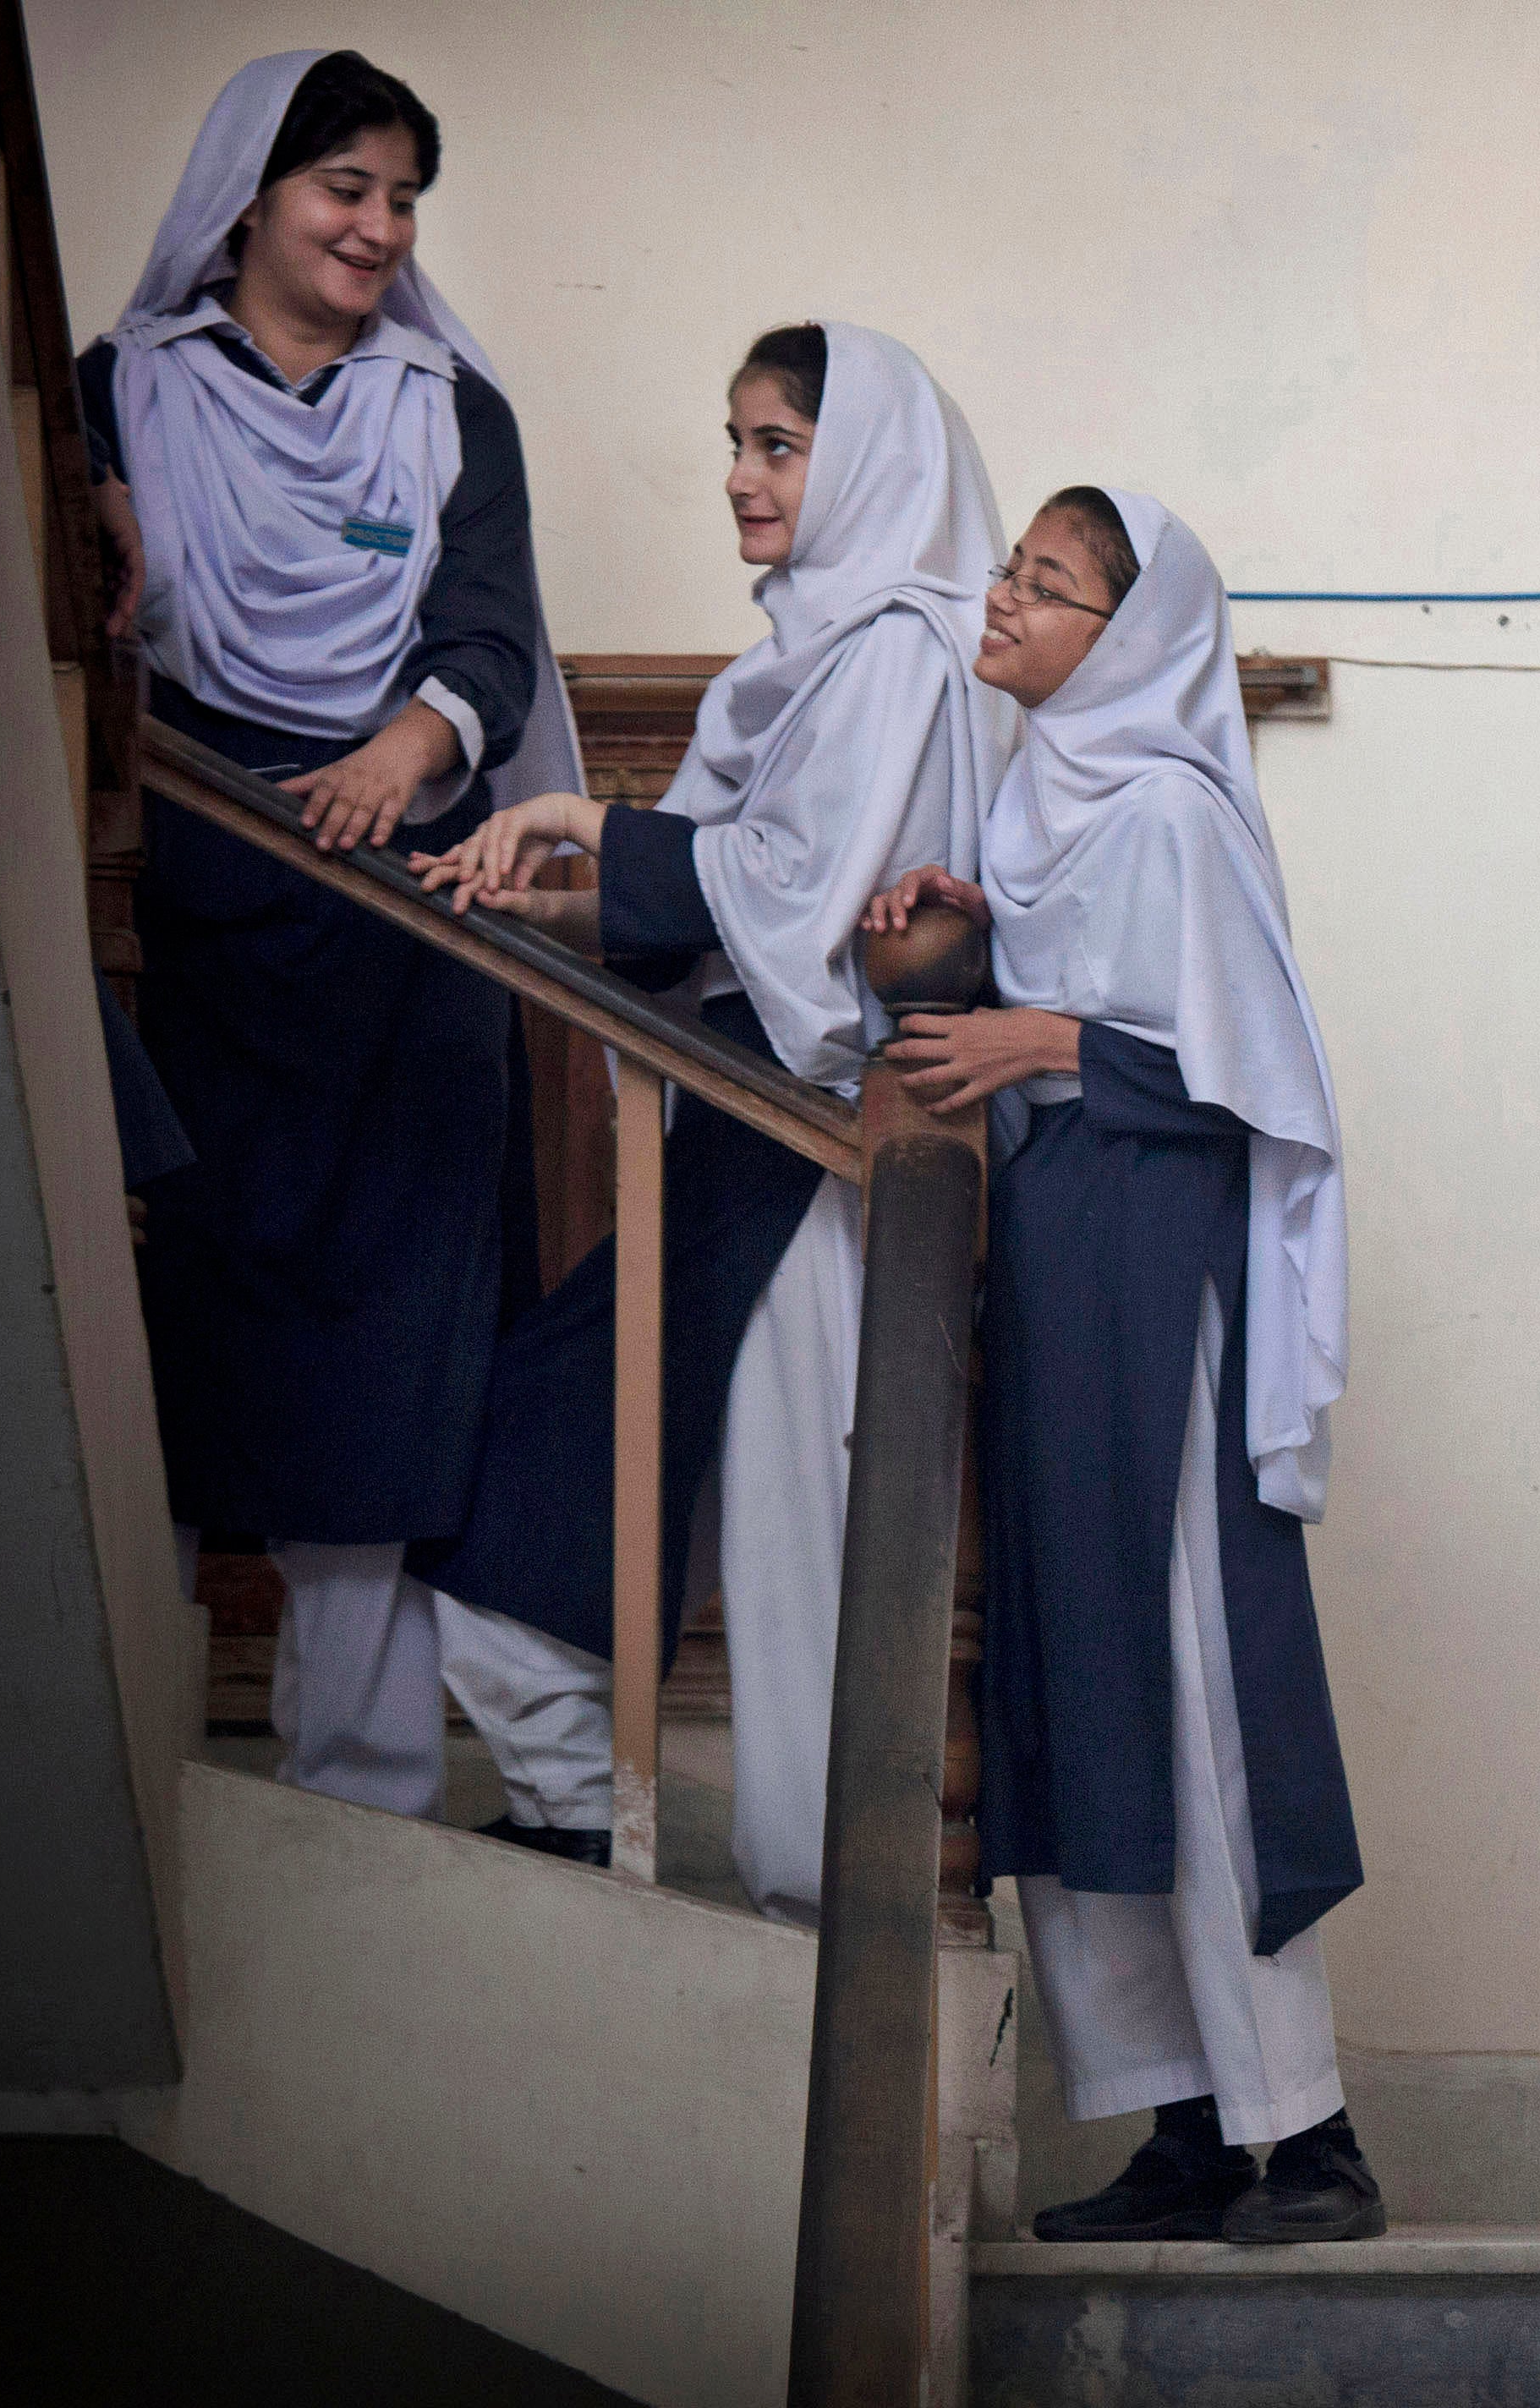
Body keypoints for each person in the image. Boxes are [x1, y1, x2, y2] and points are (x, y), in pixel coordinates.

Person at [411, 325, 1015, 1921]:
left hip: (825, 1150)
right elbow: (723, 879)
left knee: (806, 1529)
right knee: (604, 1454)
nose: (741, 479)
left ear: (864, 463)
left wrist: (584, 823)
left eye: (779, 446)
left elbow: (808, 904)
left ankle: (833, 1907)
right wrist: (557, 874)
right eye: (736, 442)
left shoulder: (899, 647)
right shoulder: (810, 652)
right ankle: (590, 1815)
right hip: (756, 1128)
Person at [863, 486, 1376, 2243]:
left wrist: (1049, 1030)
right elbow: (1034, 1004)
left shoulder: (1171, 810)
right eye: (1012, 566)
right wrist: (967, 932)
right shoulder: (1034, 799)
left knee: (1195, 1684)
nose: (1004, 595)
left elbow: (1265, 1092)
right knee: (1078, 1681)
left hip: (1160, 1284)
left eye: (1048, 584)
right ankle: (1172, 2125)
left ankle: (1305, 2137)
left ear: (1125, 638)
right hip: (1060, 1264)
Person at [81, 50, 575, 1820]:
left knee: (384, 1362)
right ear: (249, 196)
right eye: (342, 188)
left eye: (400, 197)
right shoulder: (116, 396)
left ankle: (358, 1794)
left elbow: (493, 637)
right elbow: (71, 611)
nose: (376, 226)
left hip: (404, 935)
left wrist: (407, 744)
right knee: (172, 1342)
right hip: (195, 937)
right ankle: (130, 1781)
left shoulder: (453, 411)